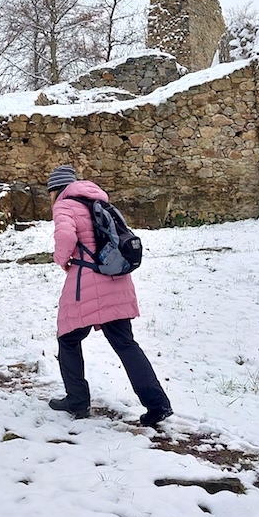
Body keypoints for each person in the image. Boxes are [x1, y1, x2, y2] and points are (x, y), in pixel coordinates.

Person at [47, 164, 172, 425]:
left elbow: (66, 236)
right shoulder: (99, 201)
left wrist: (61, 260)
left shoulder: (64, 204)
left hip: (87, 282)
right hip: (117, 278)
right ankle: (157, 403)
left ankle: (77, 401)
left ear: (54, 190)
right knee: (126, 343)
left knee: (68, 339)